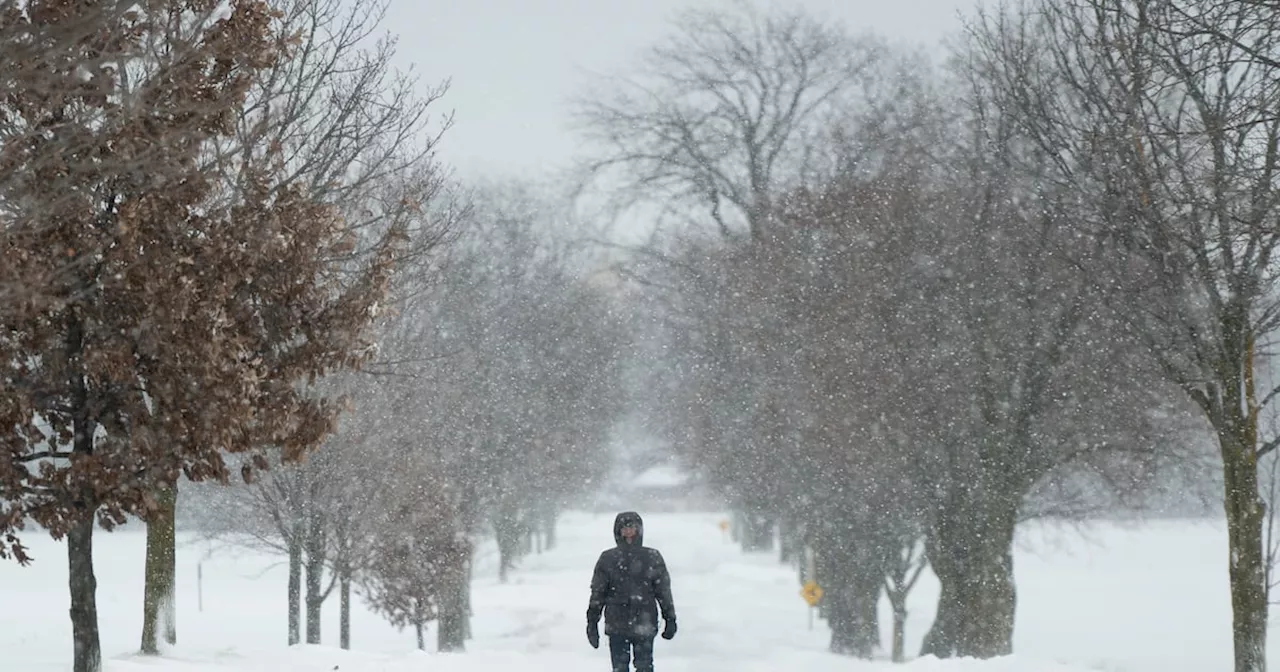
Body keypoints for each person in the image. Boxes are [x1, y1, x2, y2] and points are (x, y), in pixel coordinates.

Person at [585, 511, 676, 672]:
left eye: (632, 527)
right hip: (617, 622)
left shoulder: (651, 556)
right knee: (620, 667)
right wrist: (592, 621)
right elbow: (598, 592)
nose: (628, 531)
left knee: (644, 666)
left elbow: (663, 591)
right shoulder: (608, 558)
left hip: (644, 620)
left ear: (638, 529)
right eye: (624, 528)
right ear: (618, 530)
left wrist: (670, 618)